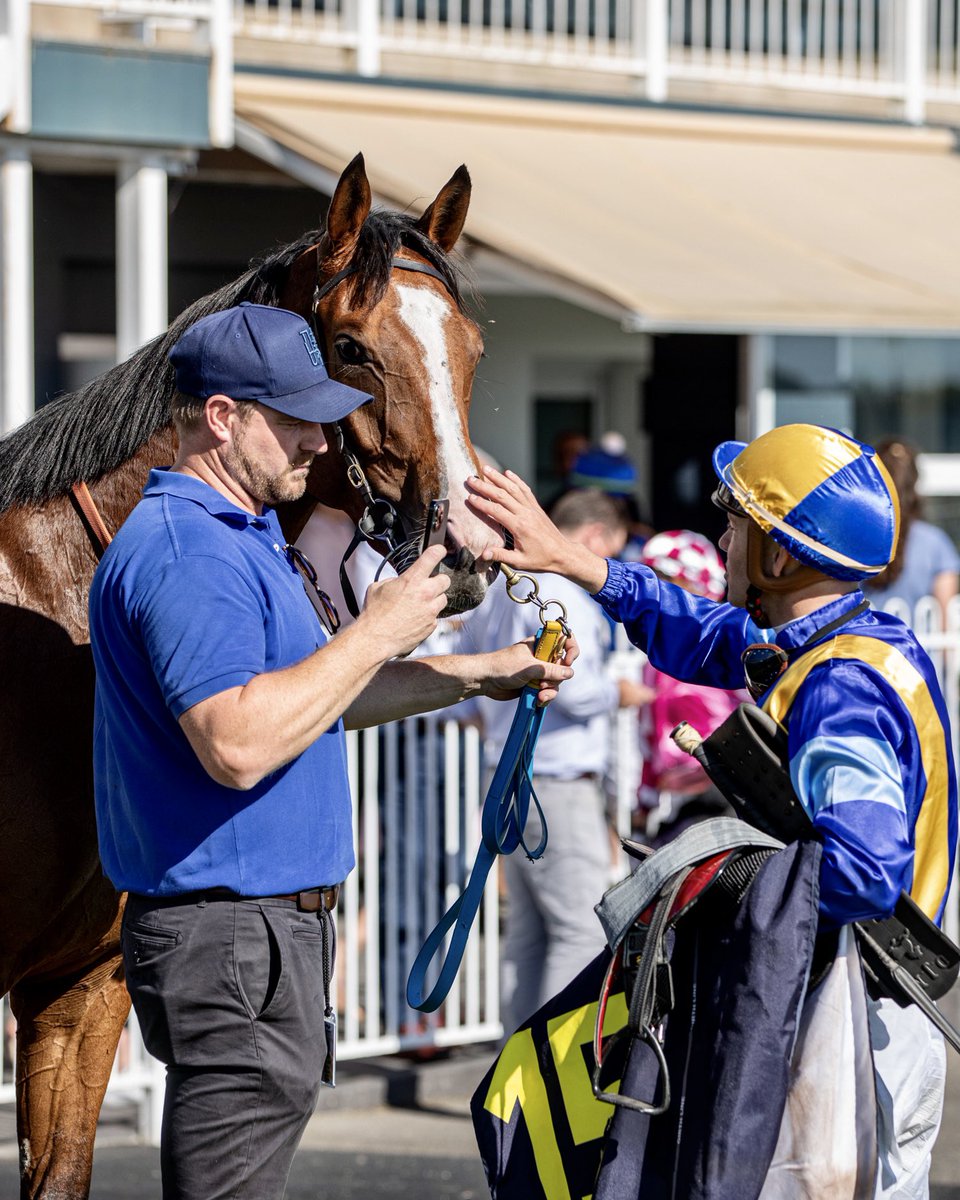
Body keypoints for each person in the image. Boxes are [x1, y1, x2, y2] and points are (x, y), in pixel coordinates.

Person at [88, 301, 574, 1200]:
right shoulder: (189, 550)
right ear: (222, 416)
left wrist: (481, 674)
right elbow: (237, 743)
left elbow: (313, 700)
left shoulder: (241, 535)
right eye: (294, 419)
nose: (320, 441)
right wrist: (379, 630)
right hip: (232, 931)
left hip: (253, 933)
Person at [466, 423, 957, 1197]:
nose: (720, 540)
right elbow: (702, 634)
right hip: (849, 1006)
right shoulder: (836, 638)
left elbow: (861, 872)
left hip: (853, 1025)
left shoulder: (841, 686)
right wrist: (578, 564)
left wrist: (712, 875)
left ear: (782, 555)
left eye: (736, 525)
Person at [476, 488, 648, 1034]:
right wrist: (616, 691)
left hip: (515, 771)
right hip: (554, 777)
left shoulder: (512, 588)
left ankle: (515, 1077)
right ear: (595, 536)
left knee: (531, 934)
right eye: (612, 549)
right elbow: (568, 687)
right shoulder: (561, 592)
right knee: (579, 930)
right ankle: (545, 1076)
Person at [633, 529, 746, 843]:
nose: (654, 593)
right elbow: (649, 735)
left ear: (695, 582)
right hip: (676, 803)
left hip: (725, 794)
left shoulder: (727, 640)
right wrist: (646, 799)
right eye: (650, 580)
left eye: (664, 581)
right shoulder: (655, 657)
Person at [865, 437, 960, 623]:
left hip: (864, 649)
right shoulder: (936, 542)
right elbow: (945, 621)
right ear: (914, 482)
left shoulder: (855, 539)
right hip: (918, 650)